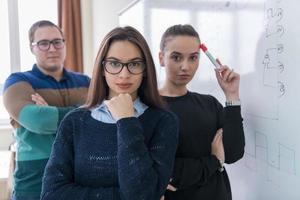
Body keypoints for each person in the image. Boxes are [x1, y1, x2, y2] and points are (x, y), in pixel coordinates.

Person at [40, 26, 179, 200]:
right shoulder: (75, 121)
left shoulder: (164, 121)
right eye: (114, 63)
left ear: (145, 70)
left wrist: (126, 121)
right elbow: (51, 194)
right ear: (102, 68)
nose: (124, 74)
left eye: (134, 64)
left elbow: (143, 194)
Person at [3, 20, 90, 200]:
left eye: (57, 42)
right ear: (32, 48)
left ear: (65, 44)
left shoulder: (86, 82)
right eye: (43, 43)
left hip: (79, 173)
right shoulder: (17, 82)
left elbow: (105, 117)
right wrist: (85, 111)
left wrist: (51, 111)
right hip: (35, 179)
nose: (52, 48)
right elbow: (39, 121)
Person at [158, 24, 245, 200]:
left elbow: (233, 153)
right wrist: (213, 161)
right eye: (176, 57)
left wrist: (232, 95)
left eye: (193, 58)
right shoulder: (150, 108)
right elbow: (167, 172)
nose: (185, 66)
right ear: (161, 58)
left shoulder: (209, 104)